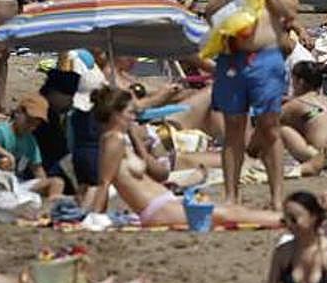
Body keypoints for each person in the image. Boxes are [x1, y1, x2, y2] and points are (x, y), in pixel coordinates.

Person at [202, 0, 297, 210]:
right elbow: (209, 12)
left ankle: (277, 196)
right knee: (232, 127)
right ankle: (232, 195)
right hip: (232, 56)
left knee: (270, 127)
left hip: (266, 56)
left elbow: (291, 11)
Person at [92, 85, 281, 226]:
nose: (134, 117)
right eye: (130, 113)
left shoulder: (123, 140)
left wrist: (136, 139)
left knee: (231, 211)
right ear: (115, 114)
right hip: (156, 209)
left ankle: (286, 219)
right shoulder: (112, 140)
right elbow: (104, 182)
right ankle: (286, 221)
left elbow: (160, 174)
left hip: (164, 202)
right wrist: (95, 219)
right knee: (225, 215)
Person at [0, 94, 64, 198]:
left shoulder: (30, 141)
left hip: (17, 185)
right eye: (29, 121)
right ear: (18, 113)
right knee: (4, 161)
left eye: (35, 124)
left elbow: (37, 169)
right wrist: (8, 155)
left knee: (57, 183)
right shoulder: (3, 131)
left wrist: (44, 186)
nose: (31, 126)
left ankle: (52, 211)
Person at [279, 61, 327, 177]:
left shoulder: (296, 104)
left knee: (283, 130)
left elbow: (267, 121)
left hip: (318, 157)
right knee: (308, 123)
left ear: (300, 82)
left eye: (292, 81)